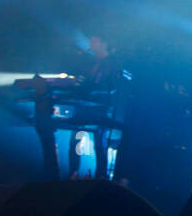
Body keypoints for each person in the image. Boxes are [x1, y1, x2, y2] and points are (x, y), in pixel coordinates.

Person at [33, 31, 124, 180]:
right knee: (76, 138)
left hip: (99, 110)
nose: (91, 44)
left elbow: (107, 86)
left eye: (94, 41)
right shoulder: (92, 63)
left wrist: (86, 88)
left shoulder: (112, 63)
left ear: (104, 43)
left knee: (98, 143)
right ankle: (73, 172)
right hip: (83, 107)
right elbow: (84, 84)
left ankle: (100, 176)